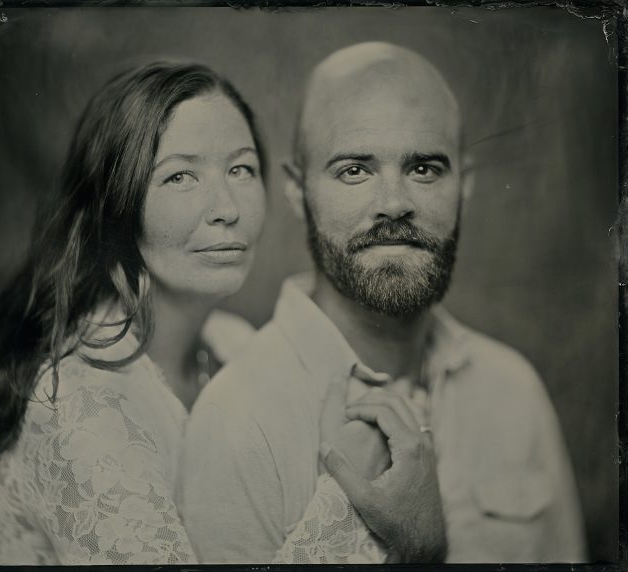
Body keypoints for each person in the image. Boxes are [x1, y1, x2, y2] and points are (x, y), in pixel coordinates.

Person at [0, 62, 400, 565]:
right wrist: (351, 494)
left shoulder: (232, 344)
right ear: (116, 206)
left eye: (240, 169)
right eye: (180, 176)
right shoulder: (80, 405)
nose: (226, 207)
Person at [180, 42, 587, 563]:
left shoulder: (514, 390)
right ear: (296, 191)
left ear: (464, 185)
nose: (394, 203)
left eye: (424, 169)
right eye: (354, 169)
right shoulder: (237, 425)